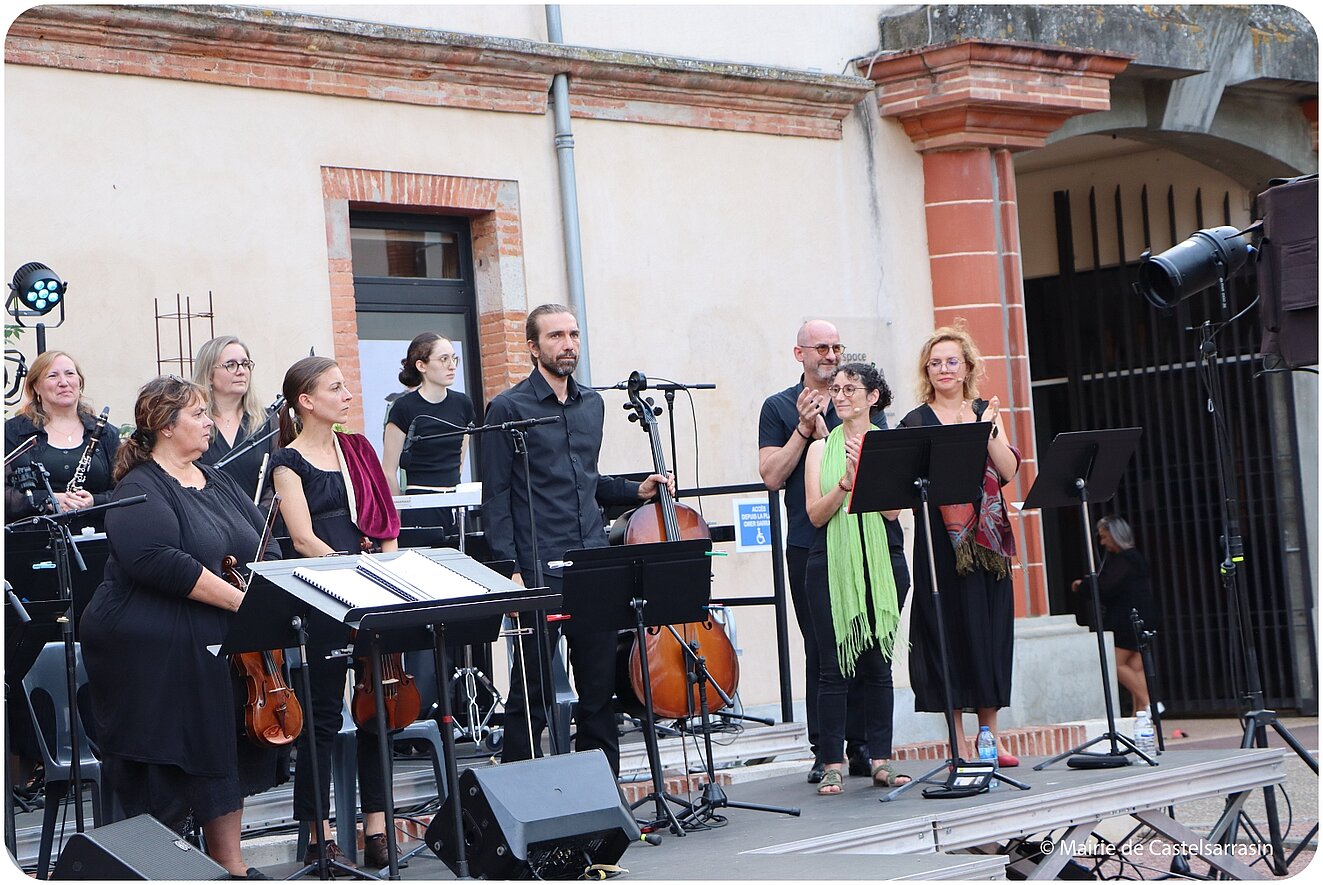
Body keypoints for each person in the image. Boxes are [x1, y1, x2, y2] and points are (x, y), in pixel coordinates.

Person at [80, 376, 281, 879]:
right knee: (175, 757)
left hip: (218, 640)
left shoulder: (217, 480)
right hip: (151, 650)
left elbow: (264, 541)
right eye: (198, 414)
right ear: (166, 426)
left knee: (225, 744)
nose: (210, 422)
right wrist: (242, 603)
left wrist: (269, 592)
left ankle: (230, 866)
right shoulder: (138, 487)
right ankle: (171, 869)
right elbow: (157, 560)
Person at [481, 304, 670, 775]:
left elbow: (587, 480)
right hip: (538, 565)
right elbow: (496, 498)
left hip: (593, 562)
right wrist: (509, 570)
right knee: (532, 689)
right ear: (533, 347)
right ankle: (523, 784)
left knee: (599, 686)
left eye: (573, 335)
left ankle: (601, 785)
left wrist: (634, 491)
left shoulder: (593, 405)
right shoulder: (508, 409)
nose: (568, 345)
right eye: (556, 336)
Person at [758, 322, 908, 782]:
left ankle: (866, 749)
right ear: (800, 353)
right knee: (825, 652)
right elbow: (772, 476)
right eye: (821, 347)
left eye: (836, 347)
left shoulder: (872, 423)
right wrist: (805, 431)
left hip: (874, 548)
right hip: (813, 545)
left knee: (871, 651)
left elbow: (889, 501)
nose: (830, 354)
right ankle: (826, 753)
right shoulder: (780, 407)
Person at [270, 356, 401, 870]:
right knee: (321, 716)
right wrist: (349, 577)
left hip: (371, 591)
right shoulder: (287, 462)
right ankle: (317, 835)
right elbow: (303, 538)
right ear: (306, 401)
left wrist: (386, 578)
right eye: (336, 388)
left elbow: (386, 520)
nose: (347, 395)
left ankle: (377, 829)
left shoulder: (359, 449)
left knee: (377, 709)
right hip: (323, 594)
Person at [901, 326, 1021, 766]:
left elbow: (1007, 471)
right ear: (927, 371)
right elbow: (906, 487)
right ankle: (958, 743)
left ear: (967, 367)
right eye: (935, 363)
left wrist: (985, 430)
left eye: (952, 361)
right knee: (945, 634)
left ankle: (991, 737)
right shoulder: (915, 422)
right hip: (939, 543)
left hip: (986, 544)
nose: (944, 369)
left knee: (988, 634)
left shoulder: (985, 412)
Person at [803, 363, 911, 795]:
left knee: (877, 664)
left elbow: (892, 512)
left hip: (882, 560)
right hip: (829, 563)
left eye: (851, 389)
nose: (841, 396)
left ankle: (881, 759)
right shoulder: (818, 449)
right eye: (836, 389)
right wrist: (844, 485)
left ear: (873, 397)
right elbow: (815, 515)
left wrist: (866, 472)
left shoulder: (887, 446)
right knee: (832, 667)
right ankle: (832, 762)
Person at [4, 350, 120, 524]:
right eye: (53, 376)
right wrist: (49, 499)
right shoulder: (13, 432)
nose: (64, 382)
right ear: (36, 387)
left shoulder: (105, 433)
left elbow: (125, 490)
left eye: (70, 374)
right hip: (35, 536)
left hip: (97, 535)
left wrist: (94, 502)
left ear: (79, 382)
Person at [380, 332, 476, 541]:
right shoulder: (403, 407)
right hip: (420, 504)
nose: (451, 366)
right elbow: (388, 470)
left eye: (454, 358)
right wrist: (397, 516)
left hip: (456, 504)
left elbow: (459, 459)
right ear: (421, 366)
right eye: (443, 359)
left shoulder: (463, 404)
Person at [1072, 516, 1159, 713]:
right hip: (1142, 616)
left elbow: (1106, 586)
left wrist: (1083, 585)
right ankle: (1141, 717)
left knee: (1115, 662)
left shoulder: (1124, 559)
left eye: (1105, 537)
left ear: (1115, 536)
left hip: (1127, 619)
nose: (1103, 543)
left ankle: (1149, 703)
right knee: (1135, 666)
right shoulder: (1134, 558)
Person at [193, 336, 278, 502]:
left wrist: (260, 513)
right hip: (209, 514)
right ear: (209, 375)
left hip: (259, 516)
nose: (241, 371)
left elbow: (277, 481)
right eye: (231, 365)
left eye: (245, 364)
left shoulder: (267, 421)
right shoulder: (195, 423)